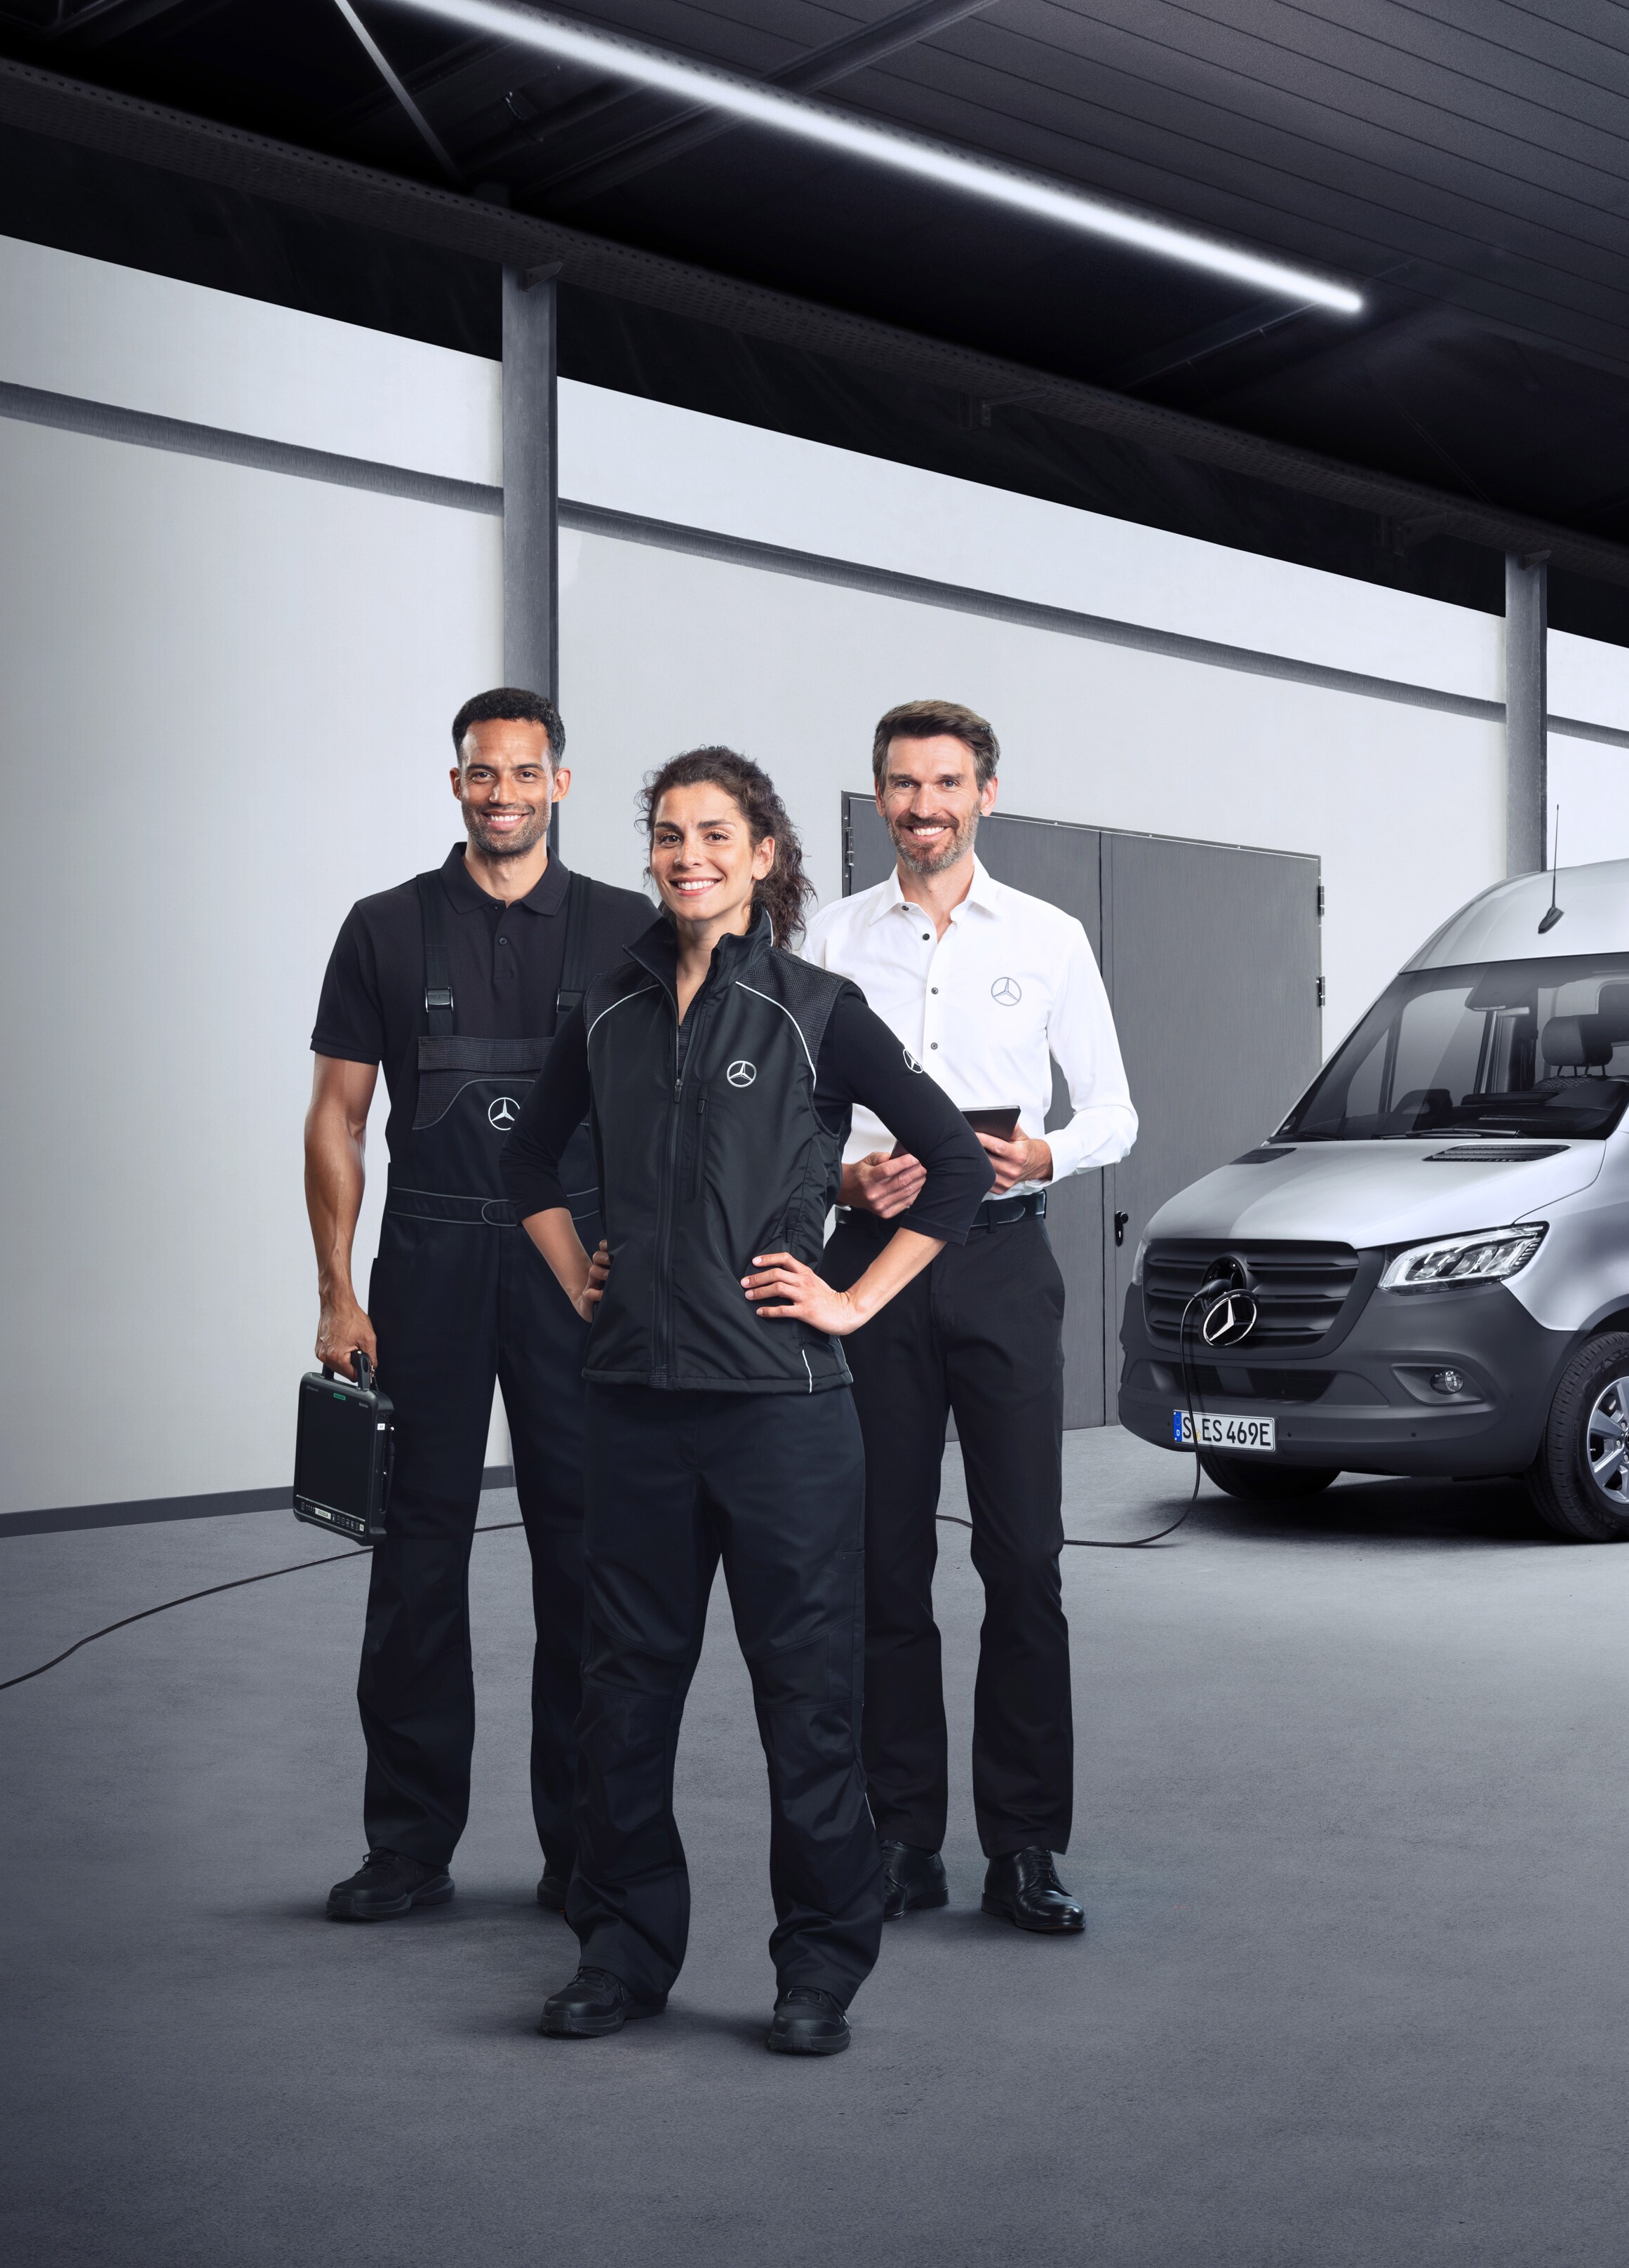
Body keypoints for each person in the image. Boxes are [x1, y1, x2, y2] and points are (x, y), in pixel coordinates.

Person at [504, 746, 991, 2055]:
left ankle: (819, 1964)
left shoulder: (814, 1008)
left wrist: (852, 1299)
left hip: (781, 1416)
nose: (689, 857)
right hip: (633, 1408)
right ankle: (619, 1951)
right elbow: (527, 1161)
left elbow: (952, 1164)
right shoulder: (607, 1008)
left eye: (716, 834)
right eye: (669, 835)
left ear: (764, 855)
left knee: (806, 1700)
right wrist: (580, 1273)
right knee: (623, 1696)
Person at [305, 688, 655, 1922]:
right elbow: (338, 1117)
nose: (501, 792)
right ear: (455, 782)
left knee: (587, 1557)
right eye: (481, 772)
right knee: (414, 1555)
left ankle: (584, 1847)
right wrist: (337, 1291)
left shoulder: (629, 927)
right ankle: (407, 1844)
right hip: (431, 1266)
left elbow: (669, 1113)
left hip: (578, 1268)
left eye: (522, 771)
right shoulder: (383, 927)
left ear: (559, 782)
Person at [805, 699, 1137, 1935]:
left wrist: (1045, 1152)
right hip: (873, 1266)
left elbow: (1114, 1111)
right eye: (903, 784)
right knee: (882, 1558)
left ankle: (1025, 1846)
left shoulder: (1048, 936)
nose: (923, 805)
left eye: (946, 783)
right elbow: (796, 1110)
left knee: (1024, 1561)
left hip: (1001, 1262)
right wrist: (845, 1179)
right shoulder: (832, 937)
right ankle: (901, 1837)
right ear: (879, 796)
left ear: (985, 793)